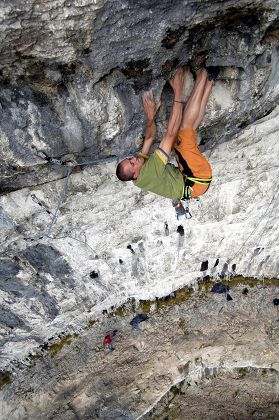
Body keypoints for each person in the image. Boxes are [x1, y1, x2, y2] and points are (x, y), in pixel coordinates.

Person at [116, 66, 218, 216]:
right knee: (183, 130)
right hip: (197, 179)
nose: (134, 159)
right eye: (132, 163)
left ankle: (210, 80)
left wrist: (150, 117)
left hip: (191, 181)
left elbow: (149, 138)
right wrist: (178, 90)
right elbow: (169, 134)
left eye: (129, 159)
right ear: (135, 174)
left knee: (186, 134)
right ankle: (203, 74)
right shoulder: (149, 173)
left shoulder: (139, 167)